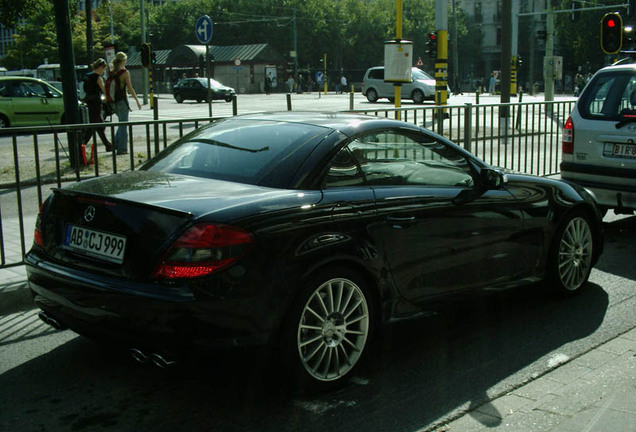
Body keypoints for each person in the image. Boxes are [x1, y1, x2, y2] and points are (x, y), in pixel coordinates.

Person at [109, 52, 141, 155]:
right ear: (123, 61)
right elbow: (130, 88)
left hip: (113, 102)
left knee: (121, 123)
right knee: (124, 125)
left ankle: (114, 144)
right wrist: (137, 100)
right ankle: (121, 149)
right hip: (122, 101)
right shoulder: (124, 72)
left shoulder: (112, 72)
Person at [82, 58, 112, 153]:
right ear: (100, 67)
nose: (103, 71)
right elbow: (104, 90)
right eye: (103, 69)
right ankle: (82, 144)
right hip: (96, 102)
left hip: (88, 101)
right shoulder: (98, 78)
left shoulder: (87, 76)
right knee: (97, 124)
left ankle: (107, 145)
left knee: (96, 124)